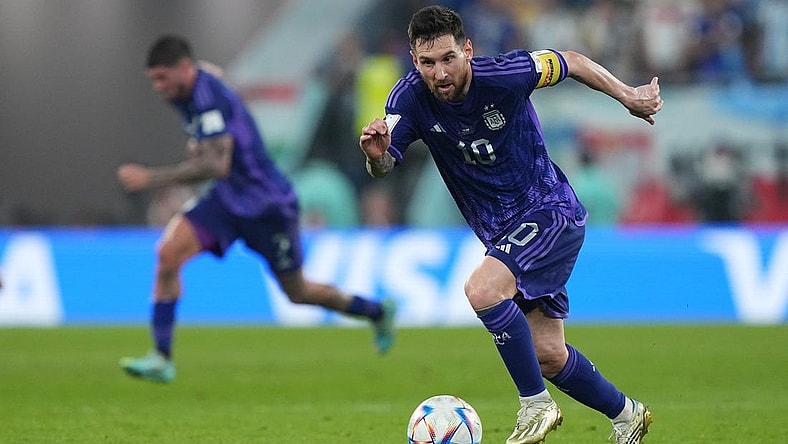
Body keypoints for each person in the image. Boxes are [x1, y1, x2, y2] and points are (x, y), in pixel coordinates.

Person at [358, 6, 662, 444]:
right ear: (413, 59)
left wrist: (628, 96)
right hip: (504, 234)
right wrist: (375, 156)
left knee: (482, 289)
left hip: (549, 211)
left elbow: (572, 60)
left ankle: (535, 405)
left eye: (448, 58)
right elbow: (385, 165)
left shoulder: (506, 74)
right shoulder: (406, 100)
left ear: (468, 50)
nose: (439, 73)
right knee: (547, 355)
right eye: (427, 63)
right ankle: (627, 415)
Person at [117, 35, 396, 383]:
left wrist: (152, 178)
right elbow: (209, 80)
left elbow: (216, 164)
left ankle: (377, 311)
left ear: (184, 70)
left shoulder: (206, 99)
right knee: (168, 254)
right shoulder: (190, 86)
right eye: (153, 80)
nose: (158, 88)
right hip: (226, 200)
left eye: (162, 78)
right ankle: (161, 356)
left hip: (267, 205)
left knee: (298, 292)